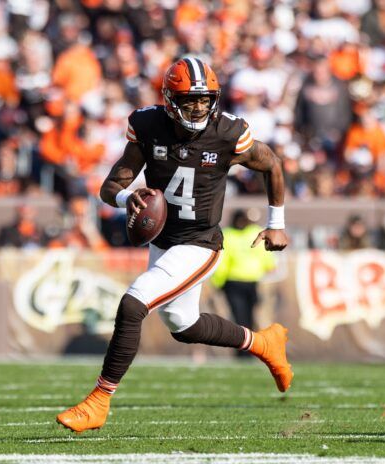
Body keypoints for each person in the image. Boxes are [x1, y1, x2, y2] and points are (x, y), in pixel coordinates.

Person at [56, 57, 293, 433]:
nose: (198, 107)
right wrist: (125, 199)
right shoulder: (148, 126)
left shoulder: (228, 132)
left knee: (133, 305)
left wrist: (276, 224)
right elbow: (109, 188)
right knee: (184, 325)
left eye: (204, 99)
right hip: (163, 242)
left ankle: (99, 400)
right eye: (189, 100)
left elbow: (272, 163)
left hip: (200, 243)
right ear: (169, 100)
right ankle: (263, 343)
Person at [210, 208, 277, 357]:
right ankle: (244, 352)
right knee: (241, 318)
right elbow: (223, 262)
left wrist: (217, 281)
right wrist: (219, 281)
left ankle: (247, 350)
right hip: (235, 282)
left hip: (250, 282)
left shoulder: (250, 233)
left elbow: (264, 255)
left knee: (247, 318)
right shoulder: (230, 235)